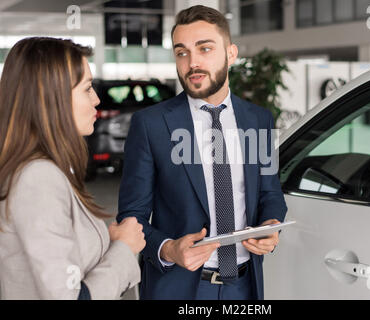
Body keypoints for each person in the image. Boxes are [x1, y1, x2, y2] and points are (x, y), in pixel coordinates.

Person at [117, 5, 287, 300]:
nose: (192, 63)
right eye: (181, 52)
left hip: (245, 287)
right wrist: (168, 248)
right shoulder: (151, 125)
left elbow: (270, 194)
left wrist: (271, 226)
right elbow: (132, 217)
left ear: (231, 54)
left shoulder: (259, 120)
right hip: (177, 287)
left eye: (204, 49)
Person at [0, 37, 146, 300]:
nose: (97, 100)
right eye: (87, 88)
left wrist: (109, 244)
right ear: (52, 98)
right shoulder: (38, 178)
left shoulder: (46, 170)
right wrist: (124, 248)